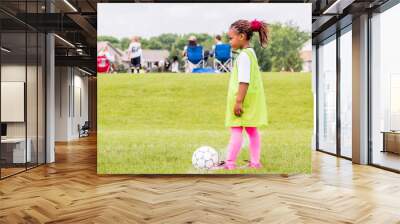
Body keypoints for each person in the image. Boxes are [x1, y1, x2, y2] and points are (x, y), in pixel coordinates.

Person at [221, 19, 269, 170]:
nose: (229, 41)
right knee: (252, 130)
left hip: (243, 101)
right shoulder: (251, 53)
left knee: (236, 130)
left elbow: (244, 81)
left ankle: (230, 163)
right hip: (250, 100)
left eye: (231, 38)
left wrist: (238, 101)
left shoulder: (243, 56)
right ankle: (255, 162)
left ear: (241, 36)